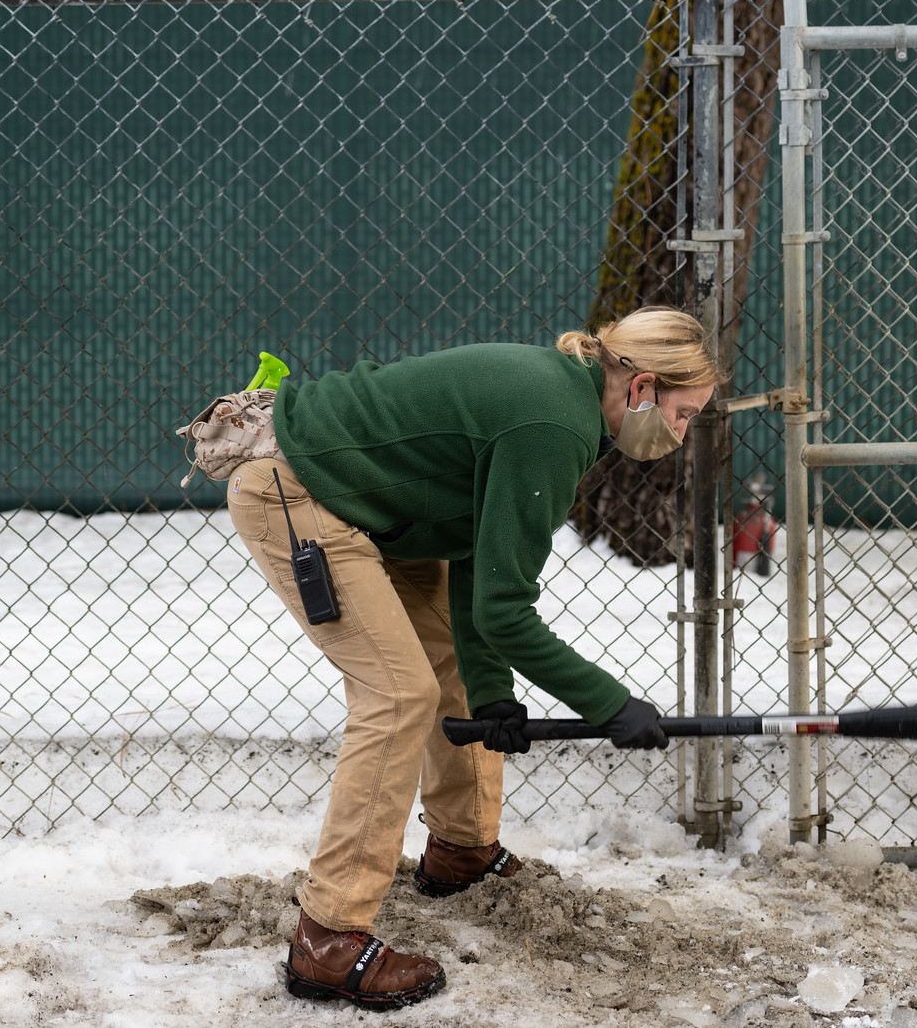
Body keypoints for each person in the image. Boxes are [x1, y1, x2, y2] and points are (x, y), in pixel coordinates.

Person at [225, 306, 718, 1010]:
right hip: (301, 488)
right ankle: (327, 938)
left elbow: (475, 555)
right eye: (683, 413)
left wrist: (490, 693)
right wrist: (611, 705)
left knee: (449, 663)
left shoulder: (565, 398)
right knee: (399, 695)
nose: (682, 432)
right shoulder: (555, 422)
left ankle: (460, 851)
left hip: (377, 504)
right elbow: (505, 610)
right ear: (642, 387)